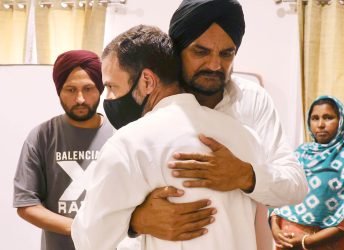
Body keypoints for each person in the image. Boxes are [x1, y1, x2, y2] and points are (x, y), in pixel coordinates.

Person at [71, 24, 267, 250]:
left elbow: (90, 239)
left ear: (147, 82)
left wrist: (133, 222)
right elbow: (261, 233)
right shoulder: (246, 137)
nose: (109, 98)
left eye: (112, 86)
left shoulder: (128, 143)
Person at [127, 0, 308, 241]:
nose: (214, 65)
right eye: (200, 51)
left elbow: (295, 186)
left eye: (226, 53)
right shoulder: (149, 100)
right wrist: (135, 222)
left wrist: (246, 176)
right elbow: (103, 206)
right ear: (176, 51)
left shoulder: (252, 100)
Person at [13, 50, 113, 250]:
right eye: (70, 89)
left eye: (88, 88)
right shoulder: (41, 136)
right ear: (59, 90)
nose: (80, 99)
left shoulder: (121, 134)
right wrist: (80, 228)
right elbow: (26, 205)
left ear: (100, 89)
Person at [270, 96, 344, 250]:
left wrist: (307, 241)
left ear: (341, 120)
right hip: (288, 240)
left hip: (329, 242)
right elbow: (278, 193)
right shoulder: (301, 153)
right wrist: (275, 228)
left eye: (328, 118)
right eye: (315, 118)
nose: (320, 125)